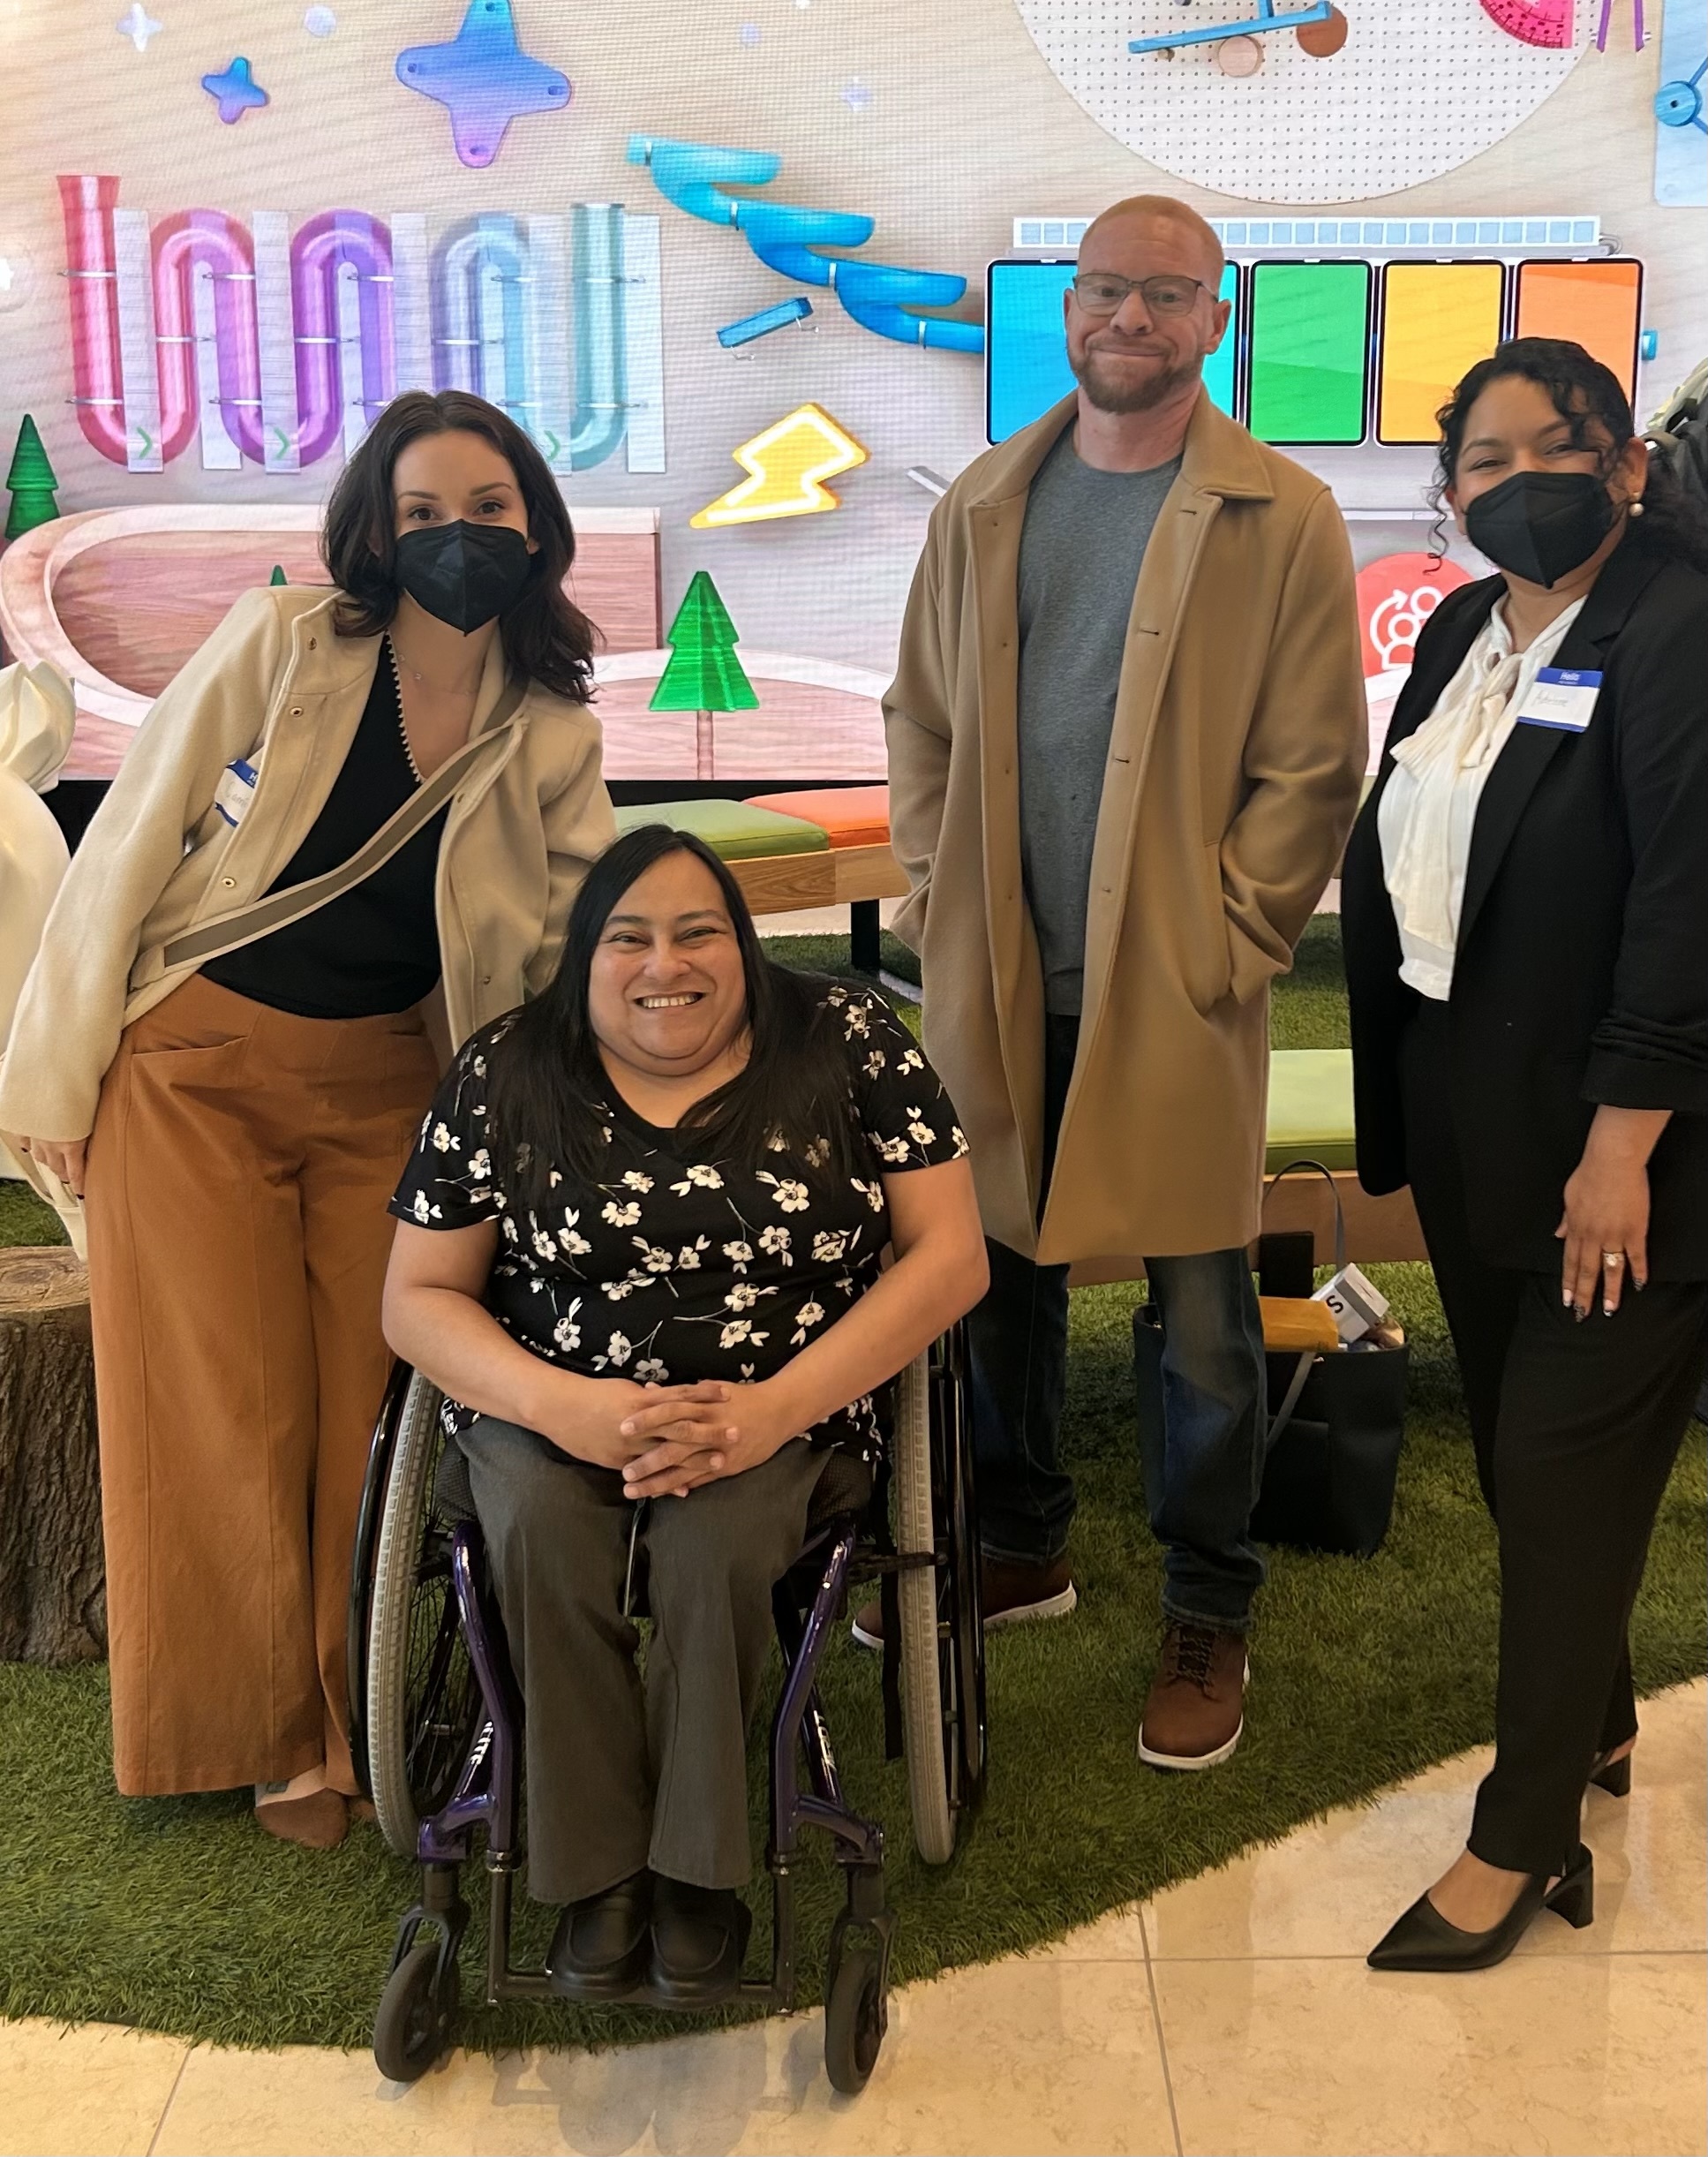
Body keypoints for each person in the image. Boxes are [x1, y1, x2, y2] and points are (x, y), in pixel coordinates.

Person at [0, 389, 615, 1848]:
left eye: (484, 509)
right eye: (418, 514)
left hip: (390, 1093)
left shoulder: (552, 726)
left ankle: (355, 1722)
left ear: (534, 524)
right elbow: (131, 841)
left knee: (370, 1418)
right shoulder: (283, 643)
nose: (453, 538)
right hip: (192, 1068)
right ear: (372, 530)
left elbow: (560, 947)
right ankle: (259, 1736)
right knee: (210, 1415)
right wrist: (59, 1077)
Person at [877, 194, 1366, 1770]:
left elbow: (1311, 767)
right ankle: (1025, 1539)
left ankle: (1206, 1602)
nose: (1129, 319)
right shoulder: (985, 503)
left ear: (1213, 319)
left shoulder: (1278, 518)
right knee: (992, 1272)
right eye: (1105, 290)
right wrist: (940, 878)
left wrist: (1228, 941)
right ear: (1068, 310)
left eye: (1165, 295)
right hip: (1004, 972)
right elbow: (921, 717)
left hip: (1177, 983)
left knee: (1202, 1308)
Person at [381, 825, 987, 2002]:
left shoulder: (848, 1040)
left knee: (715, 1541)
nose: (668, 964)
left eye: (699, 931)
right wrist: (566, 1408)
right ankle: (595, 1871)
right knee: (545, 1534)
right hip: (544, 1408)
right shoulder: (508, 1066)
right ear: (586, 957)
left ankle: (699, 1872)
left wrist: (773, 1412)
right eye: (631, 938)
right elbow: (417, 1296)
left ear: (743, 944)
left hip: (784, 1413)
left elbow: (950, 1257)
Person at [1343, 338, 1708, 1970]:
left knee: (1558, 1482)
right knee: (1511, 1459)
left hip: (1623, 1158)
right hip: (1477, 1130)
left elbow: (1683, 904)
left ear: (1626, 465)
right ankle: (1602, 1723)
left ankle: (1521, 1834)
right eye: (1479, 465)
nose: (1514, 485)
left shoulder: (1679, 631)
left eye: (1549, 450)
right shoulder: (1464, 646)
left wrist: (1622, 1141)